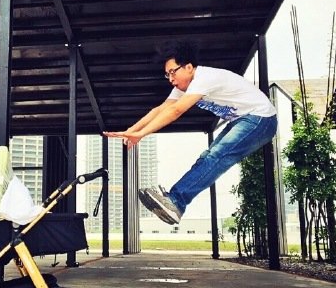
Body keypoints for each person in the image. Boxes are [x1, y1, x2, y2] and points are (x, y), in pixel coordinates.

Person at [103, 40, 277, 225]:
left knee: (217, 155)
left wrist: (142, 134)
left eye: (172, 72)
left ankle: (176, 202)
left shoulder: (204, 78)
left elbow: (176, 111)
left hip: (261, 119)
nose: (170, 79)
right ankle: (176, 203)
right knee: (207, 157)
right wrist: (132, 131)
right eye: (167, 74)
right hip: (241, 120)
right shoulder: (182, 88)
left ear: (188, 67)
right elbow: (160, 109)